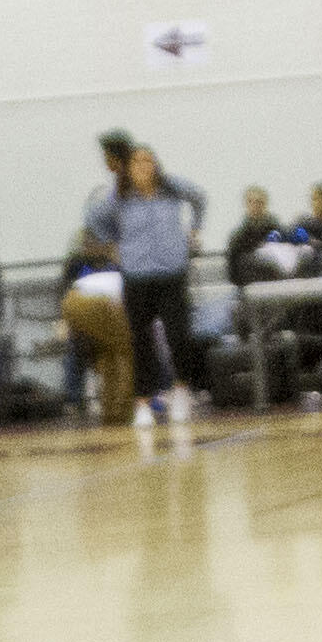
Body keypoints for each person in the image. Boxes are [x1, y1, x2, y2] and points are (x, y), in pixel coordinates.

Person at [85, 133, 207, 432]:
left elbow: (200, 197)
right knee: (141, 341)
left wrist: (194, 229)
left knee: (179, 334)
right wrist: (111, 245)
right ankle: (143, 402)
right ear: (128, 167)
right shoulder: (119, 198)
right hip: (137, 275)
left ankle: (181, 390)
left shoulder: (171, 188)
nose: (143, 166)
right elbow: (94, 219)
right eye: (137, 161)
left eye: (148, 160)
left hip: (172, 273)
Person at [58, 231, 136, 420]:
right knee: (73, 351)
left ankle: (134, 398)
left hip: (117, 319)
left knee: (125, 351)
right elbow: (64, 294)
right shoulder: (75, 265)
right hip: (86, 323)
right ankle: (74, 400)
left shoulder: (120, 263)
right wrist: (63, 322)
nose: (93, 247)